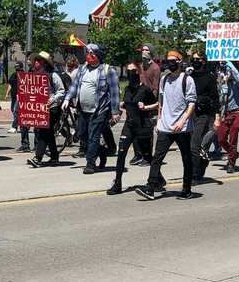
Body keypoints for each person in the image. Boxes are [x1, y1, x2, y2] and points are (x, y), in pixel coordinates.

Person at [136, 50, 197, 200]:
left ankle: (186, 189)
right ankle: (150, 187)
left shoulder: (187, 80)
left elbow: (191, 103)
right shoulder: (164, 79)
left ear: (180, 62)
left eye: (173, 60)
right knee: (157, 157)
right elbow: (161, 103)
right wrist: (159, 120)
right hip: (166, 126)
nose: (170, 63)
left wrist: (183, 121)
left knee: (186, 158)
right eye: (167, 60)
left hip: (182, 128)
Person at [62, 44, 121, 174]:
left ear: (97, 55)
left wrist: (115, 111)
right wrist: (67, 99)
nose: (88, 55)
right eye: (87, 53)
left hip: (99, 110)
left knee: (93, 137)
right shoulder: (83, 69)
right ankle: (102, 153)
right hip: (83, 110)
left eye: (91, 53)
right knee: (83, 135)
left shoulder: (107, 70)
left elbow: (115, 92)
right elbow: (75, 85)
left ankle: (90, 164)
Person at [107, 63, 157, 195]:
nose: (130, 73)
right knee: (121, 153)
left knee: (147, 156)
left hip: (142, 125)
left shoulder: (145, 90)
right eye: (128, 71)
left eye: (133, 71)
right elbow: (126, 104)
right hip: (129, 125)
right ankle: (117, 183)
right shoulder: (128, 89)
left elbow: (157, 105)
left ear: (138, 72)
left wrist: (145, 107)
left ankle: (159, 179)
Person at [26, 52, 65, 167]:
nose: (35, 62)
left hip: (52, 108)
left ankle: (38, 158)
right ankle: (54, 157)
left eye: (38, 60)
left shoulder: (53, 75)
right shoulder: (33, 75)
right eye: (35, 60)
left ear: (44, 62)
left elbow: (61, 91)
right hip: (39, 109)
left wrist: (52, 100)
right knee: (48, 133)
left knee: (44, 131)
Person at [188, 51, 220, 185]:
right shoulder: (189, 77)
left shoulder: (210, 77)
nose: (196, 61)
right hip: (190, 113)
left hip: (204, 114)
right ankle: (201, 165)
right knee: (192, 146)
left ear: (204, 61)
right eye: (194, 59)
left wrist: (217, 117)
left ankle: (195, 175)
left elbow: (215, 98)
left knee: (194, 145)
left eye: (199, 59)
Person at [217, 61, 239, 173]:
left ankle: (231, 163)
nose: (226, 73)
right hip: (225, 113)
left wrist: (229, 64)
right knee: (221, 138)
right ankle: (233, 153)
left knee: (233, 137)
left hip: (237, 113)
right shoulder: (222, 83)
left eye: (228, 71)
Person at [5, 61, 24, 134]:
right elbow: (10, 84)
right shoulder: (13, 75)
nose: (17, 69)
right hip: (13, 96)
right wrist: (7, 94)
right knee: (13, 110)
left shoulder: (24, 75)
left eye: (18, 67)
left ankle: (14, 127)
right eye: (16, 67)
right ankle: (22, 123)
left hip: (20, 96)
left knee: (16, 111)